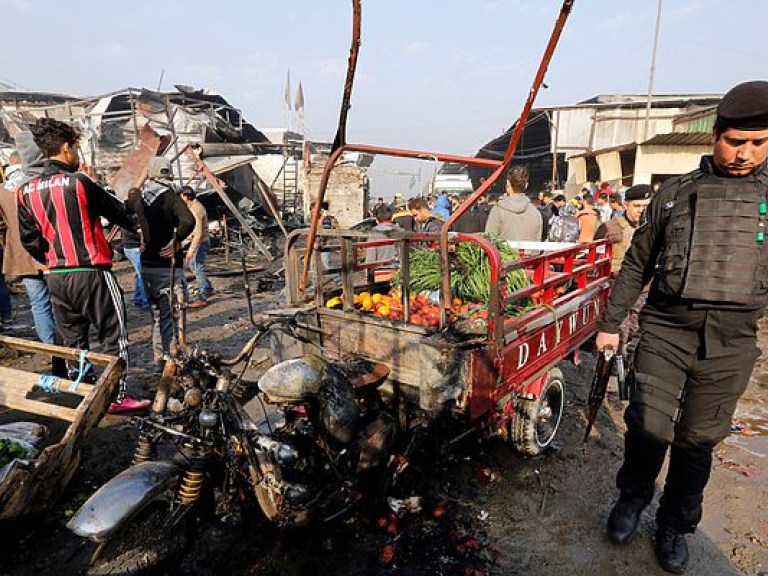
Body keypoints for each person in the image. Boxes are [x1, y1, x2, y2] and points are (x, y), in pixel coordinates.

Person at [596, 81, 768, 574]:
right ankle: (631, 501)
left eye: (758, 143)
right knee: (647, 428)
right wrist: (611, 325)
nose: (745, 154)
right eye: (736, 141)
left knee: (698, 440)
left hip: (731, 344)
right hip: (667, 331)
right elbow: (636, 266)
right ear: (715, 135)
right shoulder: (674, 196)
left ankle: (675, 524)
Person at [16, 118, 147, 413]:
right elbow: (120, 214)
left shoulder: (25, 191)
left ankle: (83, 394)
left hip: (57, 277)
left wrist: (54, 253)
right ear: (66, 148)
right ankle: (116, 397)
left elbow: (30, 241)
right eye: (76, 148)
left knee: (74, 340)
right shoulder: (78, 183)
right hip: (92, 271)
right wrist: (133, 206)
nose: (77, 154)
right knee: (115, 335)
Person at [127, 157, 194, 372]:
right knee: (173, 315)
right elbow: (188, 221)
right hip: (167, 266)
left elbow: (129, 199)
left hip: (147, 264)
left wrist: (141, 178)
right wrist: (176, 241)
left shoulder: (141, 198)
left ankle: (159, 356)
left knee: (157, 315)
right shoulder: (170, 197)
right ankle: (171, 360)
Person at [593, 184, 653, 362]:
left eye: (645, 206)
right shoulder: (610, 228)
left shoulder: (655, 230)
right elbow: (595, 259)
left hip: (646, 294)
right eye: (637, 206)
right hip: (616, 292)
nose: (641, 211)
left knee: (639, 341)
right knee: (614, 340)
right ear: (626, 204)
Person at [484, 166, 542, 241]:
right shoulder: (535, 213)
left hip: (502, 252)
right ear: (526, 185)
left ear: (507, 184)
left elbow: (489, 240)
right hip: (528, 252)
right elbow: (536, 242)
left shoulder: (497, 210)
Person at [180, 186, 214, 309]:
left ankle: (202, 297)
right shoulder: (193, 207)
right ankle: (208, 288)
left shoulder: (196, 210)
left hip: (201, 242)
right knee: (195, 266)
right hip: (199, 241)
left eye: (181, 196)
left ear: (186, 196)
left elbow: (198, 233)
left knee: (197, 267)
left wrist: (191, 250)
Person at [121, 188, 149, 310]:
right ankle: (144, 301)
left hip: (130, 247)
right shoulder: (132, 211)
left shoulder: (127, 209)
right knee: (142, 274)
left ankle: (138, 298)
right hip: (133, 247)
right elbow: (138, 230)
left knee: (139, 274)